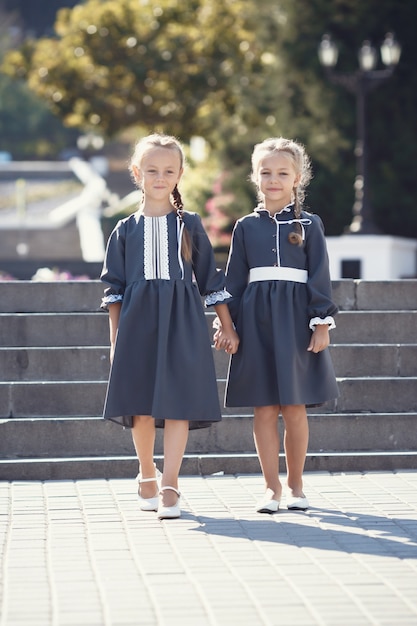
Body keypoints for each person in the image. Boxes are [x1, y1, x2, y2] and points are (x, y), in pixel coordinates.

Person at [100, 133, 239, 520]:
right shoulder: (124, 230)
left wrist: (226, 326)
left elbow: (211, 281)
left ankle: (171, 483)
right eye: (152, 170)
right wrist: (115, 340)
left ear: (179, 175)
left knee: (177, 404)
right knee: (141, 408)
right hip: (137, 326)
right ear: (136, 173)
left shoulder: (190, 225)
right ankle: (147, 473)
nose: (160, 177)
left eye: (169, 171)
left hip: (183, 324)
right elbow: (114, 290)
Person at [214, 137, 339, 513]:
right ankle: (271, 488)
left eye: (282, 173)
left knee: (294, 407)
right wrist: (228, 325)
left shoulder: (309, 224)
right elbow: (234, 281)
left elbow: (320, 277)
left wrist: (321, 324)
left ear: (297, 178)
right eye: (265, 172)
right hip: (256, 322)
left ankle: (296, 484)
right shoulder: (245, 227)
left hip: (297, 321)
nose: (273, 179)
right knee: (264, 409)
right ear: (255, 176)